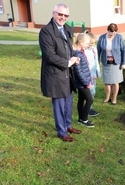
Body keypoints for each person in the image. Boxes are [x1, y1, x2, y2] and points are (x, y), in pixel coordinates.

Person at [39, 3, 81, 142]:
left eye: (65, 15)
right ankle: (62, 132)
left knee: (68, 102)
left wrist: (75, 57)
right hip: (55, 74)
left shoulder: (67, 29)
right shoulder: (46, 32)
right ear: (54, 13)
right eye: (60, 14)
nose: (62, 17)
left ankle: (68, 125)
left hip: (67, 73)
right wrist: (68, 62)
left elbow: (69, 48)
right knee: (59, 105)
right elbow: (49, 55)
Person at [97, 23, 125, 105]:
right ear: (108, 30)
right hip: (106, 62)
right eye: (111, 32)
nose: (112, 34)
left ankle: (114, 99)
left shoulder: (119, 37)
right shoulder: (102, 37)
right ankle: (107, 98)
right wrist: (97, 62)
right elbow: (98, 51)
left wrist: (124, 63)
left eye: (114, 33)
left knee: (115, 82)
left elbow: (124, 50)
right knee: (106, 82)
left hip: (116, 63)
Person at [72, 33, 95, 128]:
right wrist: (86, 82)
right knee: (89, 100)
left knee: (81, 99)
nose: (87, 45)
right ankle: (84, 120)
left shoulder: (80, 52)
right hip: (82, 82)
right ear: (80, 42)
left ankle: (81, 119)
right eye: (86, 43)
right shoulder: (77, 54)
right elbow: (78, 71)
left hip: (82, 81)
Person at [85, 31, 101, 116]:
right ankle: (88, 108)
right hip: (86, 74)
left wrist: (98, 72)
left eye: (93, 43)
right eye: (90, 43)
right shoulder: (83, 49)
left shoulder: (94, 49)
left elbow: (96, 60)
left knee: (93, 91)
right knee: (90, 91)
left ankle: (90, 107)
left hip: (93, 73)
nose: (92, 45)